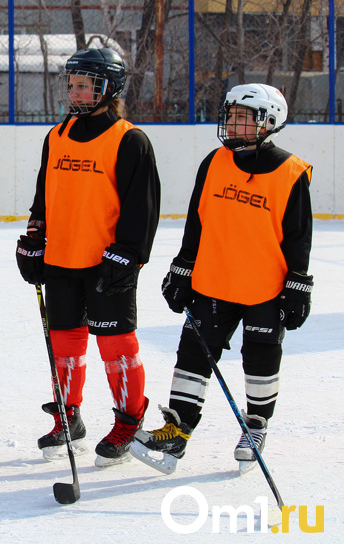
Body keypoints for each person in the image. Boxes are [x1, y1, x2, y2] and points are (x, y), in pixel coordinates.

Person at [130, 83, 313, 474]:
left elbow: (298, 237)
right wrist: (183, 267)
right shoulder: (214, 161)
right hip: (212, 281)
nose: (231, 123)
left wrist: (298, 284)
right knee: (192, 356)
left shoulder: (291, 172)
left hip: (265, 287)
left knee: (260, 358)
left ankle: (256, 427)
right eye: (230, 115)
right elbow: (196, 222)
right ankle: (177, 430)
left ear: (268, 122)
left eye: (241, 117)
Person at [15, 48, 161, 467]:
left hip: (107, 263)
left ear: (109, 89)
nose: (76, 92)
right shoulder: (57, 135)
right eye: (73, 84)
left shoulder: (129, 139)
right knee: (64, 344)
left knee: (117, 347)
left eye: (86, 85)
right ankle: (68, 416)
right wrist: (35, 237)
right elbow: (44, 195)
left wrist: (129, 255)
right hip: (61, 259)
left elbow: (142, 207)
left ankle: (129, 421)